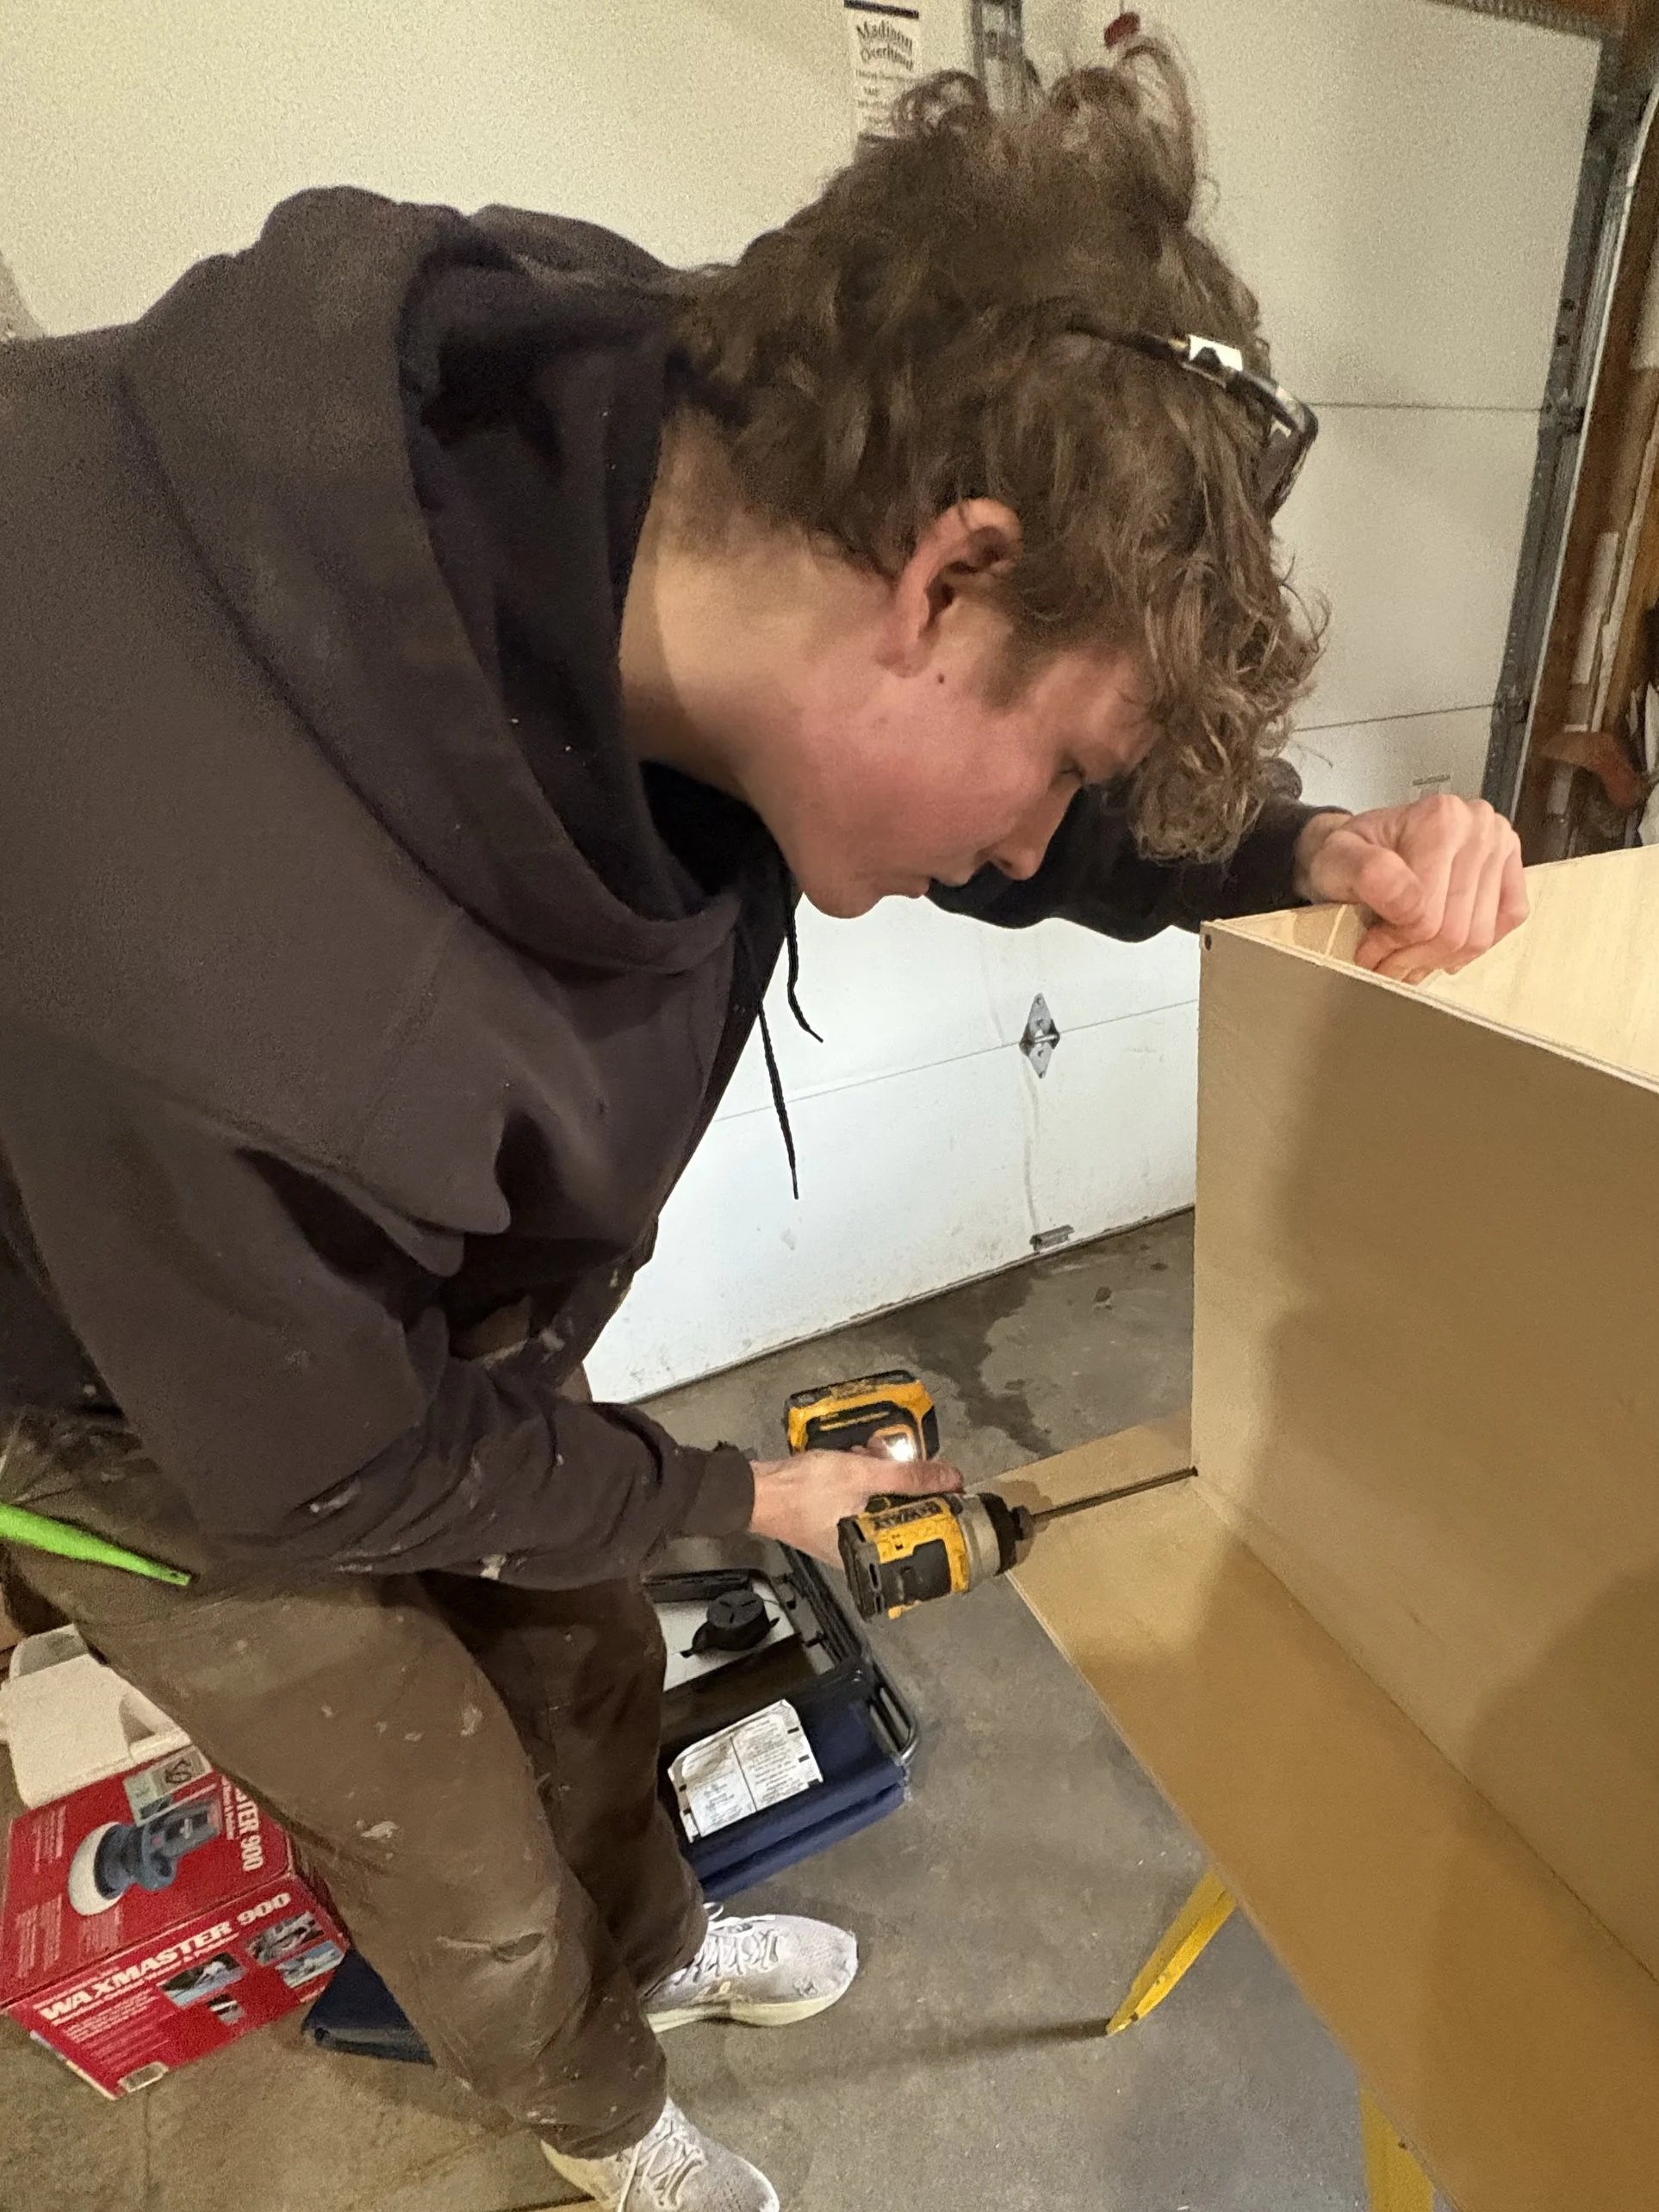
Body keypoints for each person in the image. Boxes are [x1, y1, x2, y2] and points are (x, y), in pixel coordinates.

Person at [0, 39, 1523, 2212]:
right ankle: (600, 2130)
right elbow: (334, 1466)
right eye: (1058, 760)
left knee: (592, 1649)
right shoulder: (225, 982)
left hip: (386, 1297)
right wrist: (747, 1489)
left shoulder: (700, 441)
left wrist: (1307, 851)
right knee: (450, 1838)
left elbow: (1018, 803)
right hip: (129, 1422)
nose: (1030, 846)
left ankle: (672, 1954)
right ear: (944, 583)